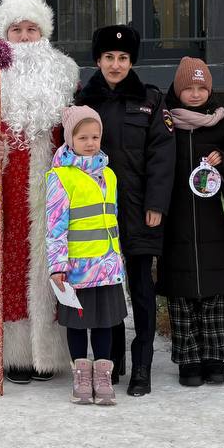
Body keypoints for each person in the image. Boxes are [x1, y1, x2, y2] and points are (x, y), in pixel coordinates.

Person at [0, 0, 80, 383]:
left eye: (32, 29)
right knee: (9, 262)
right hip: (5, 182)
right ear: (5, 34)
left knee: (51, 260)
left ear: (43, 33)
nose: (24, 36)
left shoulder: (65, 72)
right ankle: (12, 354)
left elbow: (77, 125)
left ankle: (47, 352)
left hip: (53, 182)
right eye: (17, 29)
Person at [74, 25, 175, 396]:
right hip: (96, 216)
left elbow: (163, 156)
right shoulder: (82, 103)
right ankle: (111, 363)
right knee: (107, 290)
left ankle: (143, 366)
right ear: (98, 61)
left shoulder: (150, 100)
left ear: (132, 62)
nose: (115, 65)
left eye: (123, 58)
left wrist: (156, 205)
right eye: (108, 58)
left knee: (142, 291)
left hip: (139, 211)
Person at [156, 57, 224, 387]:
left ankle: (214, 357)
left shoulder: (222, 122)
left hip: (212, 220)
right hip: (176, 219)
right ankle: (188, 359)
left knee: (214, 293)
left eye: (201, 88)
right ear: (178, 91)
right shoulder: (165, 124)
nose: (195, 94)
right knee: (180, 293)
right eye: (188, 88)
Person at [47, 107, 129, 405]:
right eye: (83, 137)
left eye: (95, 136)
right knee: (78, 324)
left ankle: (103, 375)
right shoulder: (60, 177)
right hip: (77, 269)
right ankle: (81, 374)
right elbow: (55, 226)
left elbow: (113, 219)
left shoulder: (108, 174)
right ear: (70, 139)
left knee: (106, 322)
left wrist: (116, 257)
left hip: (106, 266)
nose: (91, 142)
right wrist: (57, 267)